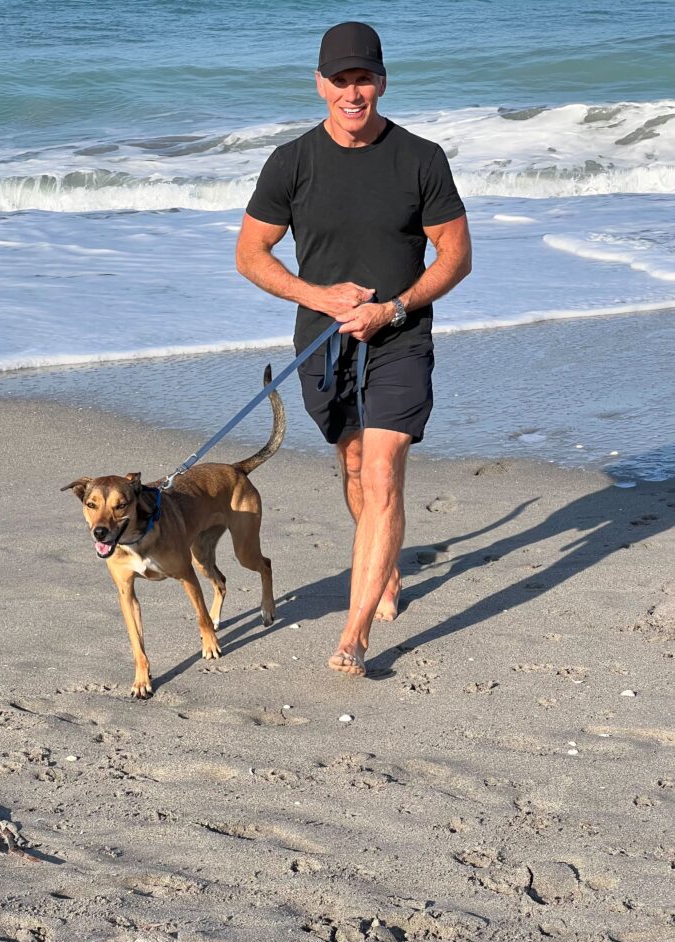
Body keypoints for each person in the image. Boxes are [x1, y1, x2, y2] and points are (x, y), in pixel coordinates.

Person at [236, 22, 472, 677]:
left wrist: (393, 307)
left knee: (382, 473)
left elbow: (456, 255)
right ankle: (384, 562)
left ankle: (355, 633)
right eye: (340, 80)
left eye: (363, 78)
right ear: (320, 84)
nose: (352, 91)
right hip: (322, 342)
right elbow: (250, 254)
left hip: (400, 337)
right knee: (353, 465)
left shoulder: (421, 159)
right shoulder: (291, 162)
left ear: (382, 81)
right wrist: (319, 295)